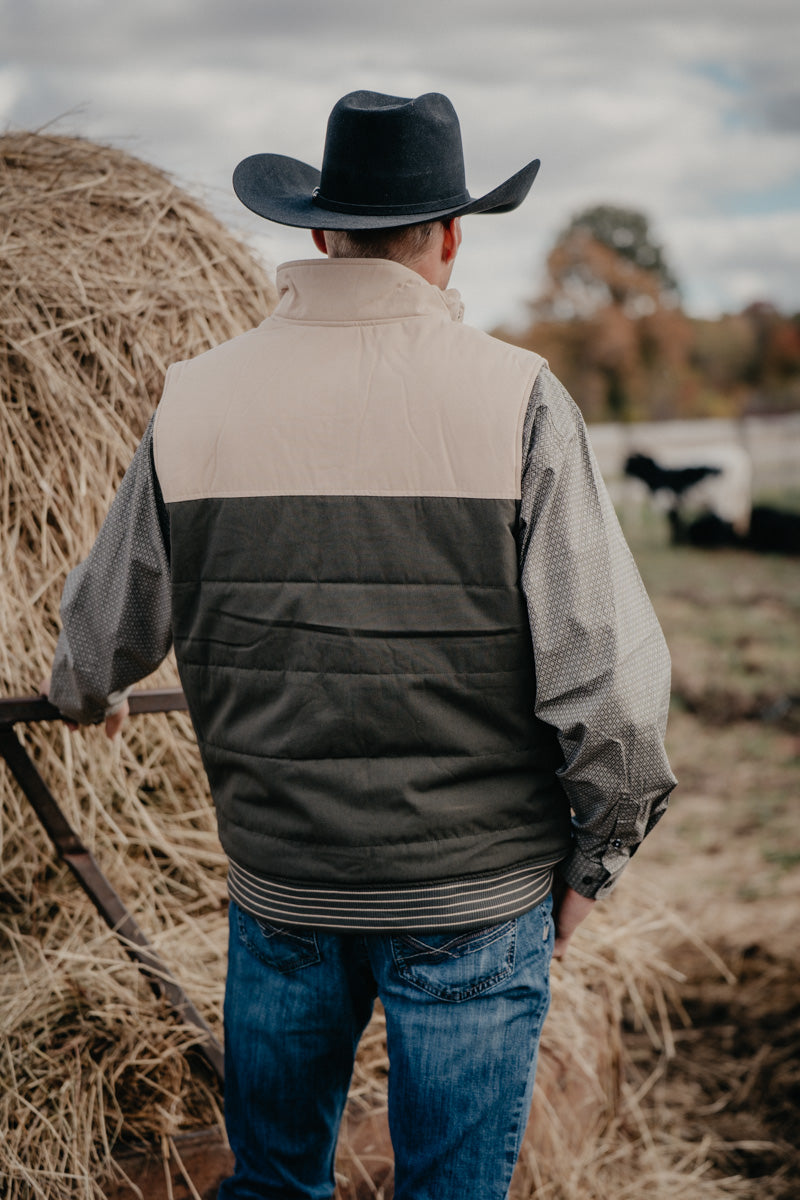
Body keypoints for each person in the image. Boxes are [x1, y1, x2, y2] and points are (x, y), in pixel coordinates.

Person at [46, 90, 676, 1200]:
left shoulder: (193, 402)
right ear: (448, 238)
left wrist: (83, 688)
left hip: (281, 886)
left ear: (319, 232)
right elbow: (612, 698)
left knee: (276, 1183)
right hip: (476, 900)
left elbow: (104, 628)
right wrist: (597, 860)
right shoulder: (518, 398)